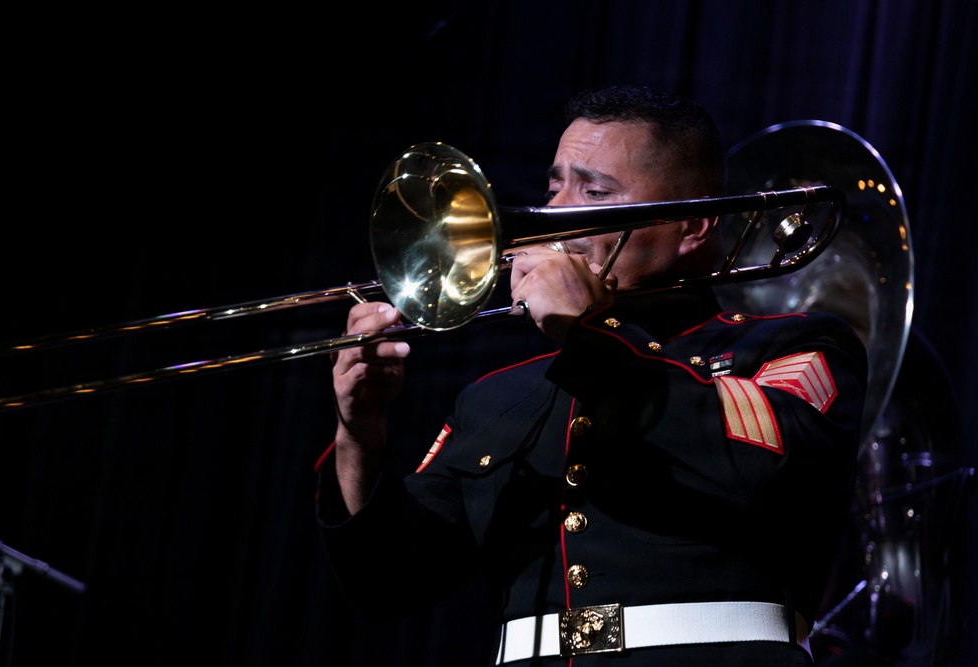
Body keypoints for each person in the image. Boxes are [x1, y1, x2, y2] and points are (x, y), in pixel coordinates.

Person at [315, 84, 868, 666]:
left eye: (595, 190)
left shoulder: (792, 345)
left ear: (694, 225)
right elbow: (388, 583)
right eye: (555, 185)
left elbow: (760, 468)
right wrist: (361, 434)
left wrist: (590, 331)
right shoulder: (494, 398)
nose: (554, 213)